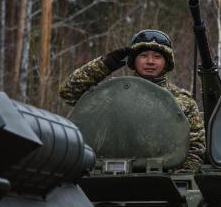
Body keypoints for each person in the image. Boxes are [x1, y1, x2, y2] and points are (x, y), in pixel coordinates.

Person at [59, 29, 206, 172]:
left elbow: (195, 146)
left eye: (157, 56)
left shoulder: (181, 100)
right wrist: (104, 66)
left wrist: (184, 174)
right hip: (108, 172)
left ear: (166, 63)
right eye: (143, 55)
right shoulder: (113, 93)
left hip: (163, 175)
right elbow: (68, 92)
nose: (150, 61)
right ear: (133, 60)